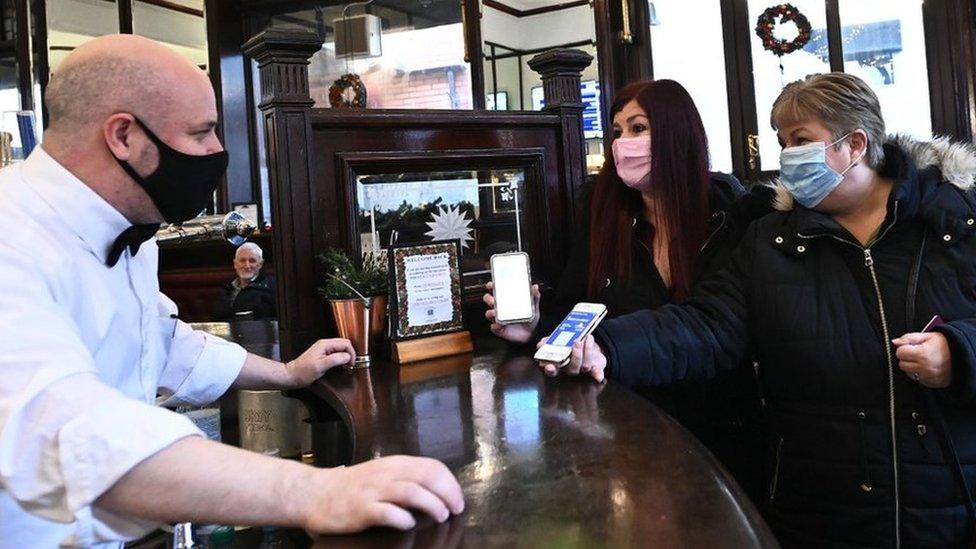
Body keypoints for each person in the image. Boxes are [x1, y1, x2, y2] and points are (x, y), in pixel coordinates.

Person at [0, 35, 463, 547]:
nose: (216, 152)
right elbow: (69, 430)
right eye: (201, 133)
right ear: (124, 136)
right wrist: (316, 492)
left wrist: (286, 374)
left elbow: (160, 342)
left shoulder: (132, 227)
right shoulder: (11, 239)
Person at [553, 72, 976, 547]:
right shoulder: (771, 240)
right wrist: (607, 344)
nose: (787, 157)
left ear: (855, 144)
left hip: (950, 502)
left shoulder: (956, 224)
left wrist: (960, 353)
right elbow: (708, 325)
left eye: (801, 140)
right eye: (782, 142)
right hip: (818, 507)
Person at [484, 80, 769, 503]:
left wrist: (611, 348)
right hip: (626, 427)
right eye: (617, 132)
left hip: (721, 433)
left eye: (638, 128)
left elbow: (721, 328)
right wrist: (534, 326)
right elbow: (577, 312)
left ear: (678, 133)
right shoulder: (603, 216)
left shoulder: (731, 216)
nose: (623, 144)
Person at [214, 242, 277, 320]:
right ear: (235, 264)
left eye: (252, 261)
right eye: (242, 260)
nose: (247, 266)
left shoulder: (273, 287)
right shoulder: (227, 289)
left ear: (260, 264)